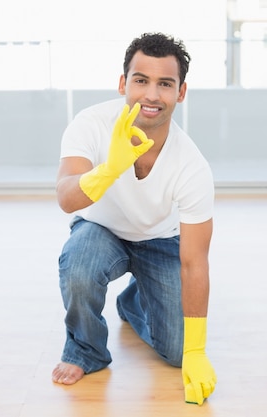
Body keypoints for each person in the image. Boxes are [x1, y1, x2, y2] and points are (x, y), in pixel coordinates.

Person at [51, 32, 216, 406]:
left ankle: (133, 302)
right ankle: (86, 351)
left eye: (165, 84)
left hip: (158, 240)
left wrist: (196, 351)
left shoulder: (192, 167)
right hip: (100, 230)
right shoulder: (91, 123)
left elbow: (194, 262)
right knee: (79, 263)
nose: (152, 95)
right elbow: (66, 198)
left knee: (176, 352)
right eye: (141, 80)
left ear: (181, 92)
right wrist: (110, 168)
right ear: (124, 83)